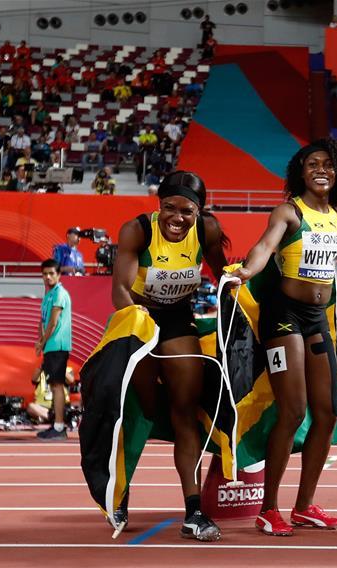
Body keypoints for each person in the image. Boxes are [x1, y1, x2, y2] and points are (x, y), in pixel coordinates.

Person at [231, 138, 337, 537]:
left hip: (316, 319)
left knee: (328, 413)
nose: (320, 169)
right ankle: (268, 508)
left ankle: (304, 505)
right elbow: (264, 246)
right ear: (300, 172)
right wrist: (246, 271)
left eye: (327, 164)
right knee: (293, 410)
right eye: (311, 164)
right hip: (283, 317)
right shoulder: (289, 212)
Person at [112, 170, 230, 541]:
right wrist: (136, 317)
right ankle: (119, 494)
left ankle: (194, 510)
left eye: (187, 211)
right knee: (141, 410)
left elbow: (221, 272)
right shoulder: (137, 231)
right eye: (169, 208)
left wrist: (236, 290)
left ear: (200, 212)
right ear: (158, 205)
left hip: (178, 319)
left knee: (185, 410)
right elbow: (119, 289)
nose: (176, 218)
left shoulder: (207, 231)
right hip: (138, 317)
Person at [35, 259, 73, 440]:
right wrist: (39, 341)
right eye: (44, 274)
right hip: (50, 347)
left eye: (51, 273)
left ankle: (59, 427)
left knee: (57, 386)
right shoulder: (48, 295)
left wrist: (42, 342)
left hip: (57, 345)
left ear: (58, 275)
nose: (47, 277)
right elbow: (42, 321)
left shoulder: (59, 293)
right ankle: (56, 425)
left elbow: (53, 322)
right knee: (54, 385)